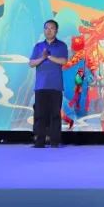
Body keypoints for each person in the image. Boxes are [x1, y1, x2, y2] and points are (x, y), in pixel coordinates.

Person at [28, 20, 69, 148]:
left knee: (55, 115)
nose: (49, 30)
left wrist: (49, 57)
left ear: (56, 30)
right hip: (41, 86)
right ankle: (39, 141)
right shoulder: (38, 46)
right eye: (46, 28)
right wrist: (43, 57)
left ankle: (54, 141)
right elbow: (31, 63)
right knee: (40, 115)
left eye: (52, 28)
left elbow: (63, 61)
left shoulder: (61, 45)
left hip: (55, 86)